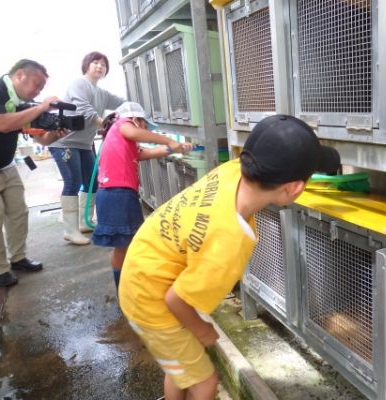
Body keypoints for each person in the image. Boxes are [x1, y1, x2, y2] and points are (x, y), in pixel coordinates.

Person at [118, 114, 341, 400]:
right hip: (151, 302)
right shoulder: (228, 243)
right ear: (294, 188)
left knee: (181, 368)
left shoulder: (232, 171)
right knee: (204, 382)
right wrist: (202, 330)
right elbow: (176, 300)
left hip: (141, 269)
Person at [0, 59, 68, 287]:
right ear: (19, 75)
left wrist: (57, 133)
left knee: (18, 213)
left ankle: (18, 258)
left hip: (5, 165)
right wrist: (42, 106)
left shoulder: (20, 105)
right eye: (36, 84)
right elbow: (3, 124)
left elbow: (41, 139)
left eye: (41, 89)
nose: (38, 91)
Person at [92, 102, 193, 289]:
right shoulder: (122, 124)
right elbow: (132, 132)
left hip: (116, 194)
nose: (146, 128)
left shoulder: (121, 140)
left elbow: (144, 153)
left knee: (126, 246)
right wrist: (167, 140)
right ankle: (126, 292)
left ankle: (126, 289)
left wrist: (174, 148)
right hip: (117, 194)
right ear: (135, 120)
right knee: (126, 247)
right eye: (145, 123)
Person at [48, 51, 125, 246]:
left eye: (103, 64)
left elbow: (120, 102)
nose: (100, 66)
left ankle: (83, 222)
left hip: (83, 144)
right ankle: (70, 230)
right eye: (95, 63)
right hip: (64, 142)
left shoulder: (101, 92)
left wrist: (133, 109)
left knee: (92, 182)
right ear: (87, 65)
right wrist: (102, 123)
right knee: (72, 182)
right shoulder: (79, 84)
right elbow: (83, 108)